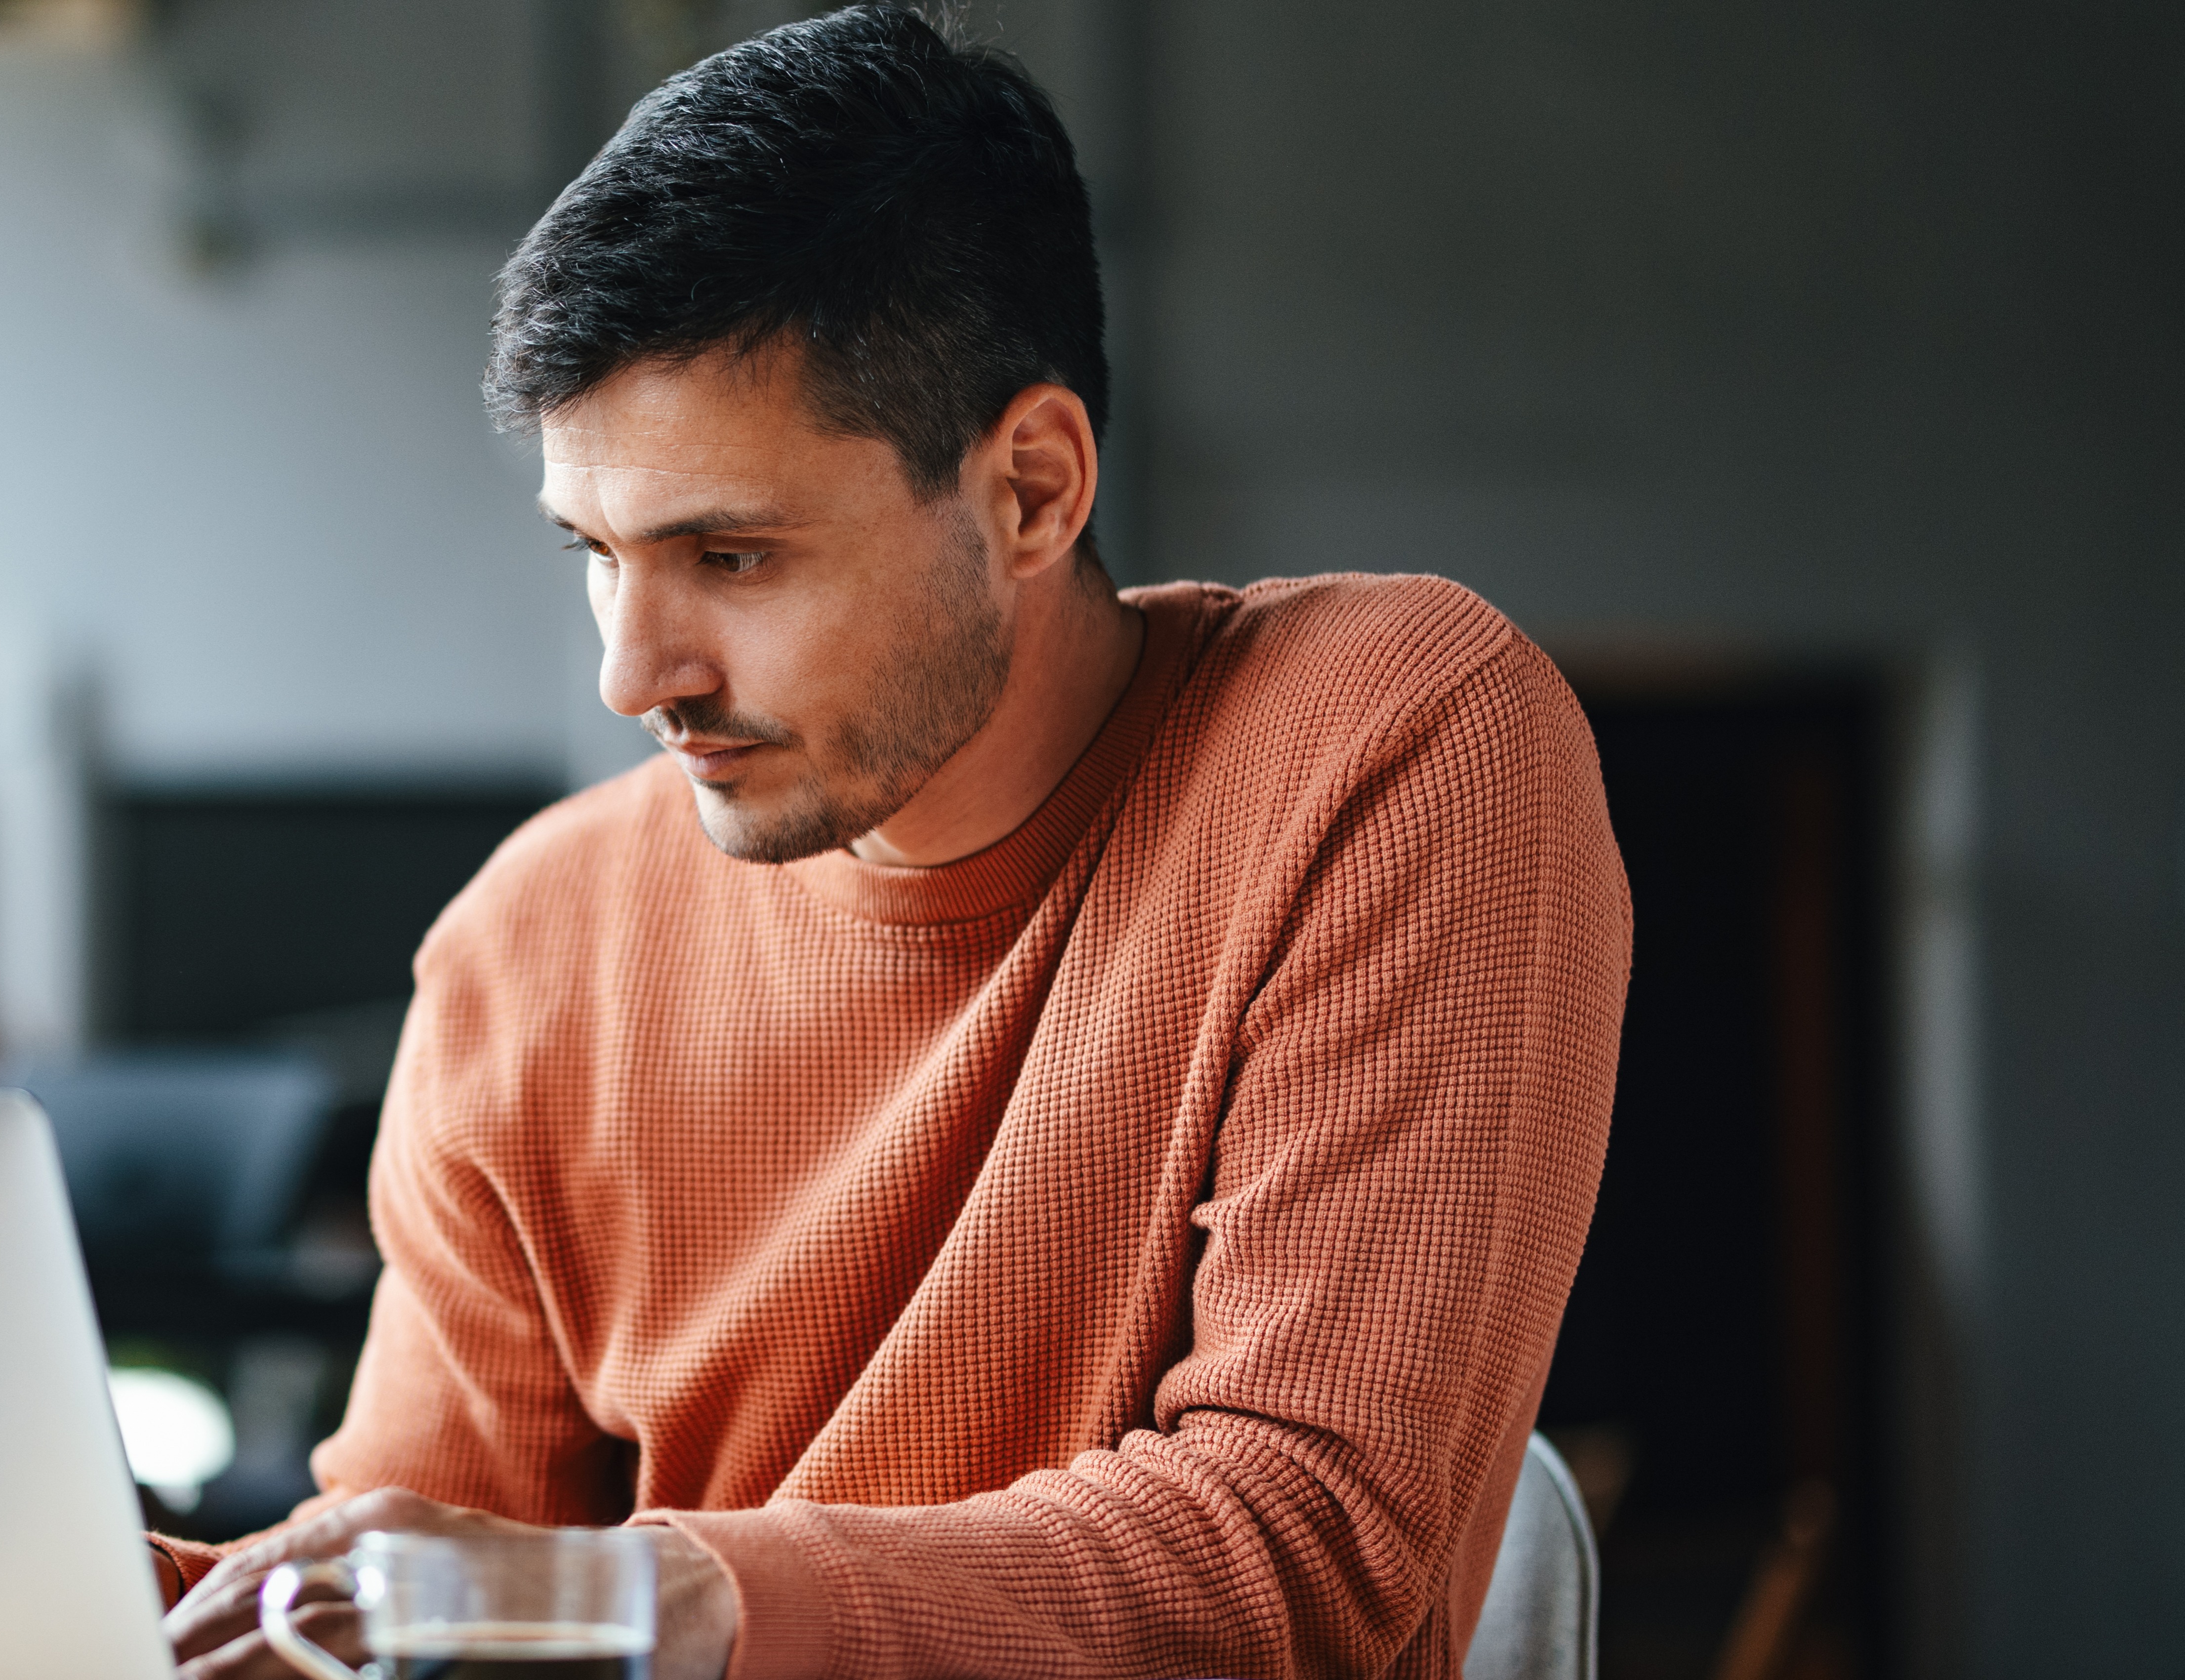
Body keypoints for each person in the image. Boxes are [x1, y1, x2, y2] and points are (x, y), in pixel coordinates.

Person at [159, 10, 1630, 1680]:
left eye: (729, 554)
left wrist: (657, 1600)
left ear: (1029, 490)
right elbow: (389, 1605)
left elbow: (1299, 1558)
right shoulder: (530, 943)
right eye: (594, 547)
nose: (632, 674)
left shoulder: (1389, 744)